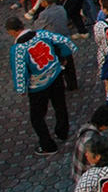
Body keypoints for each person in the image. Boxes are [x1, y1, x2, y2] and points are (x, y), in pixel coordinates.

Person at [6, 15, 75, 154]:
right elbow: (64, 42)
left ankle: (48, 145)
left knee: (37, 117)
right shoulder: (42, 34)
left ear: (11, 31)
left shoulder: (18, 49)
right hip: (55, 75)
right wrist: (63, 57)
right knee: (60, 105)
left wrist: (21, 88)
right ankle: (62, 132)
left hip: (38, 86)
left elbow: (19, 70)